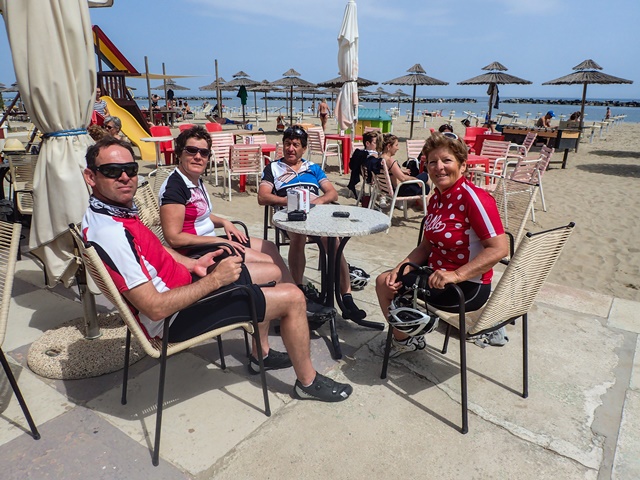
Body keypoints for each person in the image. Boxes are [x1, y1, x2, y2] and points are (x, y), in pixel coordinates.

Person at [82, 136, 353, 402]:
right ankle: (307, 382)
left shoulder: (112, 214)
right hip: (175, 318)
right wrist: (214, 281)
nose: (125, 177)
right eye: (112, 171)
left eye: (130, 169)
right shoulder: (113, 234)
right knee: (292, 298)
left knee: (271, 272)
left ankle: (261, 354)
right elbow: (155, 308)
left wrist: (193, 264)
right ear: (91, 177)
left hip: (187, 284)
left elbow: (157, 247)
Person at [158, 126, 332, 321]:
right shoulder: (175, 187)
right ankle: (290, 302)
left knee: (269, 247)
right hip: (198, 252)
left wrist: (224, 222)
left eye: (204, 152)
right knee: (269, 265)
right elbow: (174, 238)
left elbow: (199, 214)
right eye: (192, 150)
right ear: (179, 153)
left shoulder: (194, 180)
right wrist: (221, 242)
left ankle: (296, 297)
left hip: (210, 242)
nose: (198, 156)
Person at [375, 133, 508, 357]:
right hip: (435, 276)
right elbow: (425, 247)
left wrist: (455, 275)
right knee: (388, 280)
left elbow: (499, 249)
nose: (439, 167)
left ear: (462, 165)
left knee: (383, 283)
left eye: (447, 160)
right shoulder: (437, 197)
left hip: (465, 287)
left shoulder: (473, 198)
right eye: (432, 162)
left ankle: (406, 340)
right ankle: (409, 333)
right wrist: (400, 268)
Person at [258, 126, 368, 321]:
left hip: (316, 214)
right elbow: (263, 197)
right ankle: (299, 289)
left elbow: (332, 193)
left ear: (304, 148)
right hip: (290, 216)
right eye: (287, 144)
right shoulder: (273, 168)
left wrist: (316, 201)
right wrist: (289, 200)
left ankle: (346, 297)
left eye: (295, 145)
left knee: (333, 241)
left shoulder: (313, 168)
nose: (290, 148)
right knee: (298, 236)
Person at [376, 133, 430, 198]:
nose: (397, 148)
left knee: (423, 184)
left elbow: (390, 172)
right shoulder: (390, 161)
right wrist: (414, 178)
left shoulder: (379, 158)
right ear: (389, 146)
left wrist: (401, 170)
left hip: (387, 189)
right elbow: (402, 178)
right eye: (396, 145)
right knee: (425, 178)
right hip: (399, 190)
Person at [346, 130, 379, 199]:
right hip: (376, 180)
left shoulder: (360, 154)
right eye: (375, 143)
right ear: (367, 143)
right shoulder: (371, 155)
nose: (377, 145)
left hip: (366, 177)